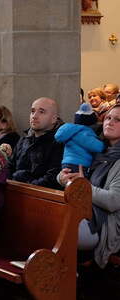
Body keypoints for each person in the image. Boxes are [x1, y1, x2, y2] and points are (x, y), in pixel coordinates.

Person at [58, 104, 120, 269]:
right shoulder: (98, 150)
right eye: (107, 118)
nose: (110, 122)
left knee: (57, 226)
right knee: (46, 217)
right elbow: (74, 171)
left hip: (105, 224)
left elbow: (113, 201)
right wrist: (63, 177)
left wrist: (81, 186)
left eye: (117, 120)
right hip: (83, 212)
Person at [8, 97, 64, 189]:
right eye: (33, 111)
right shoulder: (23, 140)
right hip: (15, 191)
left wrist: (26, 187)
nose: (34, 116)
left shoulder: (59, 143)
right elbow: (10, 166)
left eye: (41, 112)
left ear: (54, 119)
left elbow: (52, 177)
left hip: (40, 196)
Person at [54, 103, 104, 176]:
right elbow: (94, 145)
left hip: (66, 163)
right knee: (78, 184)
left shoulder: (68, 129)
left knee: (69, 182)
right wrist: (103, 146)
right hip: (80, 164)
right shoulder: (83, 132)